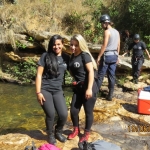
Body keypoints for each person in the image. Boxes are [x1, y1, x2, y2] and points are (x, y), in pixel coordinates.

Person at [35, 34, 70, 145]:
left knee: (64, 114)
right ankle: (50, 134)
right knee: (50, 114)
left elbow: (76, 70)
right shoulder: (46, 56)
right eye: (54, 45)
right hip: (45, 89)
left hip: (58, 90)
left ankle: (58, 132)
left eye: (59, 44)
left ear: (62, 44)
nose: (56, 47)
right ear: (51, 45)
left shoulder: (66, 58)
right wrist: (38, 92)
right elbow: (39, 75)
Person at [67, 34, 98, 145]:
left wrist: (89, 88)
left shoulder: (85, 55)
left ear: (81, 45)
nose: (73, 47)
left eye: (76, 45)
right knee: (74, 110)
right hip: (78, 88)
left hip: (88, 87)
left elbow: (91, 72)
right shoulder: (72, 56)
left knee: (88, 112)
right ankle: (76, 129)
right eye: (71, 45)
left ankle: (86, 133)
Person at [96, 14, 120, 101]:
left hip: (107, 56)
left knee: (100, 75)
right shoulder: (117, 32)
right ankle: (110, 95)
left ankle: (95, 95)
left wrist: (99, 56)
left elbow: (104, 45)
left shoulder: (107, 32)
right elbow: (118, 45)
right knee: (111, 76)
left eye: (102, 23)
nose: (101, 25)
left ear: (106, 23)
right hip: (114, 56)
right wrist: (117, 56)